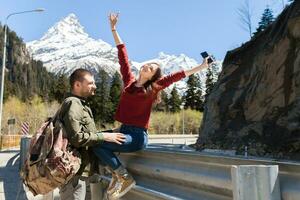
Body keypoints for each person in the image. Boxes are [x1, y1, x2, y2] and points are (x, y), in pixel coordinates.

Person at [92, 13, 210, 199]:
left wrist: (202, 67)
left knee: (98, 144)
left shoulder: (154, 88)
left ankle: (123, 177)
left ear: (154, 76)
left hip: (137, 136)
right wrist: (113, 29)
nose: (147, 66)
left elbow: (178, 75)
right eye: (147, 65)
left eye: (152, 68)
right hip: (122, 130)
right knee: (94, 143)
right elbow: (122, 53)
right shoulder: (129, 82)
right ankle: (118, 175)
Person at [59, 68, 126, 200]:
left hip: (79, 171)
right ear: (77, 85)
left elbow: (87, 133)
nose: (94, 86)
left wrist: (112, 132)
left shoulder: (80, 103)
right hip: (73, 174)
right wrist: (105, 136)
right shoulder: (73, 103)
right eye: (90, 83)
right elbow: (77, 137)